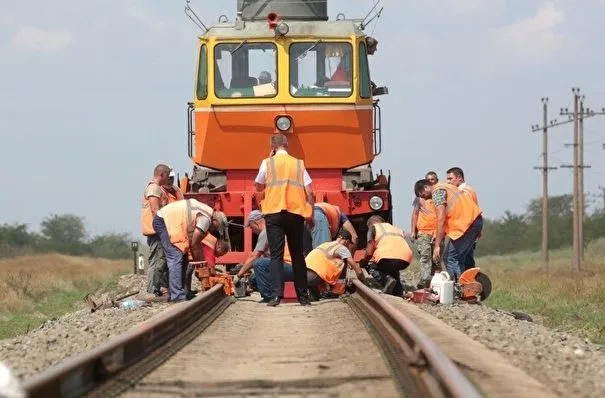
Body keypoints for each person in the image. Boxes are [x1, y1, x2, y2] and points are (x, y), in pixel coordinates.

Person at [255, 133, 314, 306]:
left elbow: (259, 185)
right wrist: (309, 213)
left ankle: (275, 296)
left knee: (276, 255)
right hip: (295, 213)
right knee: (297, 255)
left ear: (272, 147)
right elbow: (309, 191)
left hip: (274, 212)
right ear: (287, 145)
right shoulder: (298, 164)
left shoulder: (267, 163)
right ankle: (303, 297)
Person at [152, 198, 225, 302]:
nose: (215, 230)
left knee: (184, 256)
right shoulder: (206, 219)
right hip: (164, 221)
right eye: (218, 226)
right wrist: (201, 265)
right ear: (215, 221)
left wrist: (199, 262)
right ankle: (177, 295)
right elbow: (195, 242)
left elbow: (195, 243)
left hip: (170, 222)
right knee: (175, 256)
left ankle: (182, 292)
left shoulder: (205, 212)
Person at [414, 179, 483, 281]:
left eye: (421, 194)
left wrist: (437, 246)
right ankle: (469, 285)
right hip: (473, 222)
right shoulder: (445, 187)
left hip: (467, 225)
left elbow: (441, 218)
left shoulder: (437, 192)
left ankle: (460, 289)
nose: (422, 197)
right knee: (460, 259)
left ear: (426, 187)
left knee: (450, 258)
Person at [233, 210, 293, 303]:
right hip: (286, 267)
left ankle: (269, 297)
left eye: (251, 227)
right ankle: (272, 292)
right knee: (253, 279)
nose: (252, 231)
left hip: (287, 266)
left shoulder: (266, 232)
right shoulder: (272, 229)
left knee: (258, 263)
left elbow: (254, 257)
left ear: (256, 223)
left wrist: (238, 275)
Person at [305, 229, 366, 295]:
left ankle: (321, 292)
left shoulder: (326, 244)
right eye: (349, 244)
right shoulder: (342, 248)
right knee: (343, 262)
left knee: (316, 297)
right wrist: (364, 285)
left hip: (302, 273)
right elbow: (358, 271)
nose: (348, 246)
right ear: (346, 241)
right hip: (312, 277)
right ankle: (337, 290)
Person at [140, 164, 171, 296]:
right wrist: (162, 230)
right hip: (156, 231)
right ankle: (152, 290)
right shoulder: (154, 189)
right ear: (162, 175)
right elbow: (155, 210)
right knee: (157, 261)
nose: (168, 179)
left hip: (156, 231)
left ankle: (156, 289)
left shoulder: (156, 188)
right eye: (167, 176)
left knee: (160, 260)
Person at [364, 215, 413, 296]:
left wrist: (364, 262)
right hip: (406, 260)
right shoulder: (396, 228)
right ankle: (398, 290)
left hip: (386, 258)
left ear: (370, 224)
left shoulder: (372, 228)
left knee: (370, 265)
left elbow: (369, 253)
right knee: (392, 269)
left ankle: (386, 279)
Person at [410, 171, 440, 288]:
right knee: (425, 256)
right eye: (428, 180)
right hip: (423, 232)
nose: (431, 181)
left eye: (433, 180)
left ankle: (436, 283)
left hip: (436, 233)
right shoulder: (419, 198)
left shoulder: (439, 196)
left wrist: (438, 232)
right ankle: (425, 281)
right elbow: (415, 214)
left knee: (436, 259)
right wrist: (413, 231)